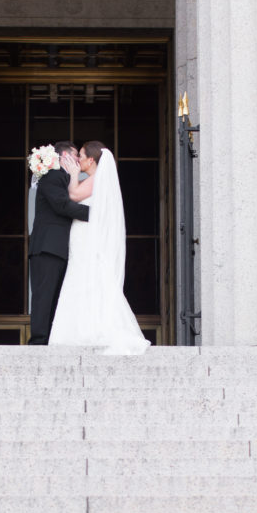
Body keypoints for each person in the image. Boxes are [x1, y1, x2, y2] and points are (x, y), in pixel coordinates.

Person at [49, 141, 150, 355]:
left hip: (87, 237)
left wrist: (74, 174)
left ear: (91, 160)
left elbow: (74, 196)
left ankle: (87, 330)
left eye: (82, 156)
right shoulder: (97, 179)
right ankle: (81, 328)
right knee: (81, 277)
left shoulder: (97, 179)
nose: (79, 160)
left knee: (85, 276)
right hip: (82, 234)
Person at [28, 141, 89, 345]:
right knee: (44, 296)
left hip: (57, 248)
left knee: (55, 297)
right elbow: (63, 205)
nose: (79, 161)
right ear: (64, 157)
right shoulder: (53, 176)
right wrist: (96, 214)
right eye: (75, 156)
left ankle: (50, 339)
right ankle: (38, 341)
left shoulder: (64, 177)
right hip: (47, 247)